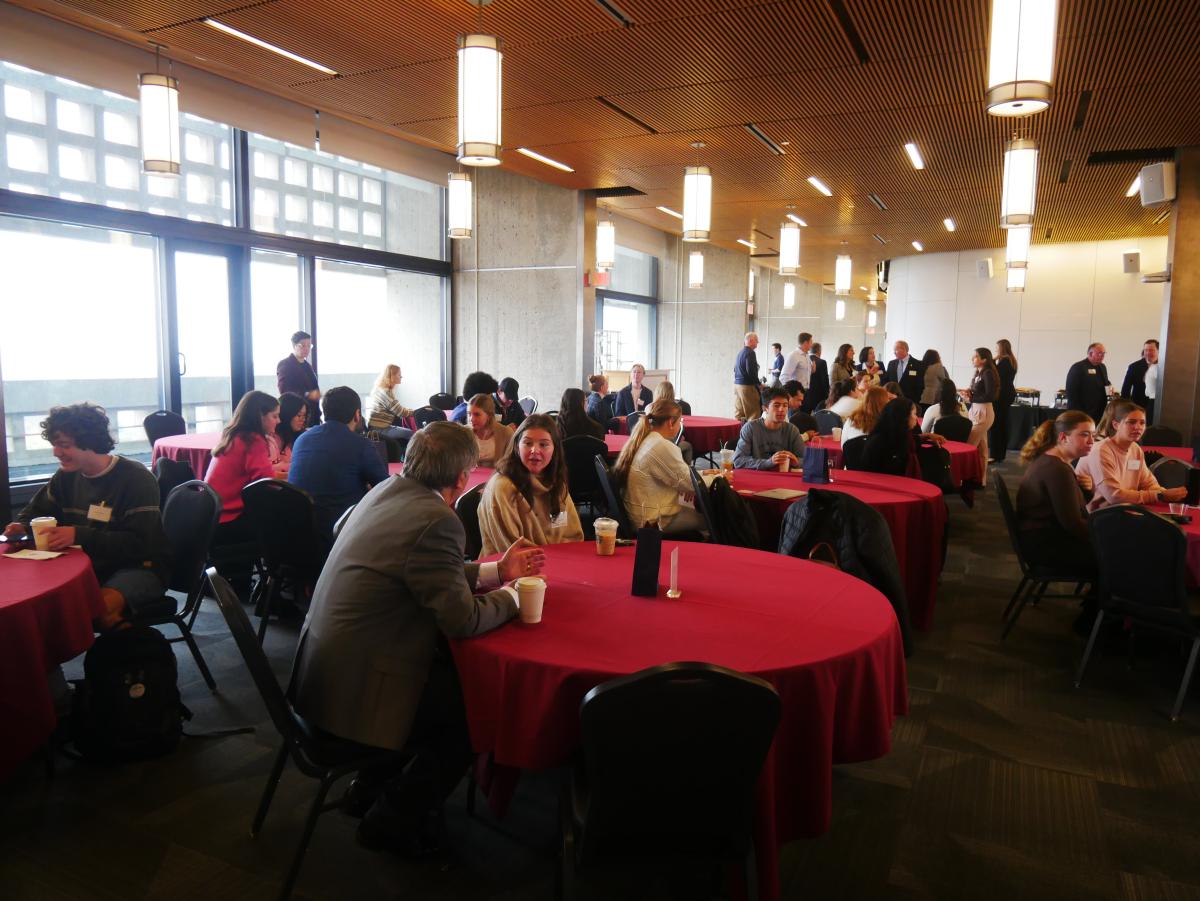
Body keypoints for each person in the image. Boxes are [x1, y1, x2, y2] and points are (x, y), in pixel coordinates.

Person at [291, 421, 544, 856]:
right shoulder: (437, 520)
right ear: (462, 478)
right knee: (475, 711)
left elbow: (422, 568)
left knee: (447, 683)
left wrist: (496, 572)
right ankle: (390, 821)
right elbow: (462, 621)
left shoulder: (385, 491)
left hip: (321, 674)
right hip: (354, 694)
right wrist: (514, 596)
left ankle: (368, 789)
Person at [5, 403, 170, 630]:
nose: (56, 452)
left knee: (96, 610)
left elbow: (139, 544)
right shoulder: (65, 477)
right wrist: (21, 526)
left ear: (90, 442)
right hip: (92, 565)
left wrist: (77, 535)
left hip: (141, 566)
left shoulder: (136, 479)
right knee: (45, 607)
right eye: (54, 445)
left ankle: (134, 650)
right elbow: (35, 511)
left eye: (64, 445)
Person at [288, 386, 390, 539]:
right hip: (341, 536)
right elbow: (386, 488)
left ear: (324, 413)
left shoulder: (302, 440)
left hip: (299, 534)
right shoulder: (360, 445)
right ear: (357, 415)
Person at [478, 414, 585, 556]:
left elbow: (573, 535)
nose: (535, 450)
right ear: (517, 446)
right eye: (528, 443)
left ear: (555, 449)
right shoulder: (502, 487)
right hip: (513, 567)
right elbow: (512, 551)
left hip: (556, 560)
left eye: (543, 444)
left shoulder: (556, 483)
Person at [1016, 412, 1098, 579]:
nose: (1091, 441)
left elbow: (1074, 508)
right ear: (1063, 437)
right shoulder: (1057, 469)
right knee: (1118, 557)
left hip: (1044, 537)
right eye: (1084, 434)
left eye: (1093, 435)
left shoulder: (1054, 461)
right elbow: (1072, 523)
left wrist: (1086, 490)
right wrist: (1107, 537)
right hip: (1045, 546)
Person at [612, 399, 706, 534]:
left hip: (637, 514)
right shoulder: (662, 446)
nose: (680, 425)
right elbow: (692, 484)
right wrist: (717, 477)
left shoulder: (645, 438)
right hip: (651, 522)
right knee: (710, 519)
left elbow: (684, 480)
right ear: (671, 422)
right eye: (680, 421)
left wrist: (698, 479)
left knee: (693, 507)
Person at [206, 390, 280, 547]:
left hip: (211, 516)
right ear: (260, 416)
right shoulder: (253, 441)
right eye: (274, 416)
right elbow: (268, 483)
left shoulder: (233, 436)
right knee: (289, 517)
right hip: (229, 519)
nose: (278, 421)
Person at [1083, 400, 1185, 511]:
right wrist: (1159, 495)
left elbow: (1148, 483)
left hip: (1124, 510)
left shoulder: (1135, 449)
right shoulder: (1101, 450)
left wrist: (1168, 494)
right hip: (1098, 515)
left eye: (1142, 423)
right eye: (1131, 422)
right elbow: (1114, 496)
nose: (1138, 427)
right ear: (1116, 425)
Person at [733, 387, 807, 470]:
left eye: (785, 405)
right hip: (757, 476)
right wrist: (769, 462)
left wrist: (796, 462)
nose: (781, 409)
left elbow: (807, 460)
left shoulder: (792, 430)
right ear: (765, 408)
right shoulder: (750, 428)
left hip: (783, 476)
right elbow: (738, 461)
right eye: (776, 405)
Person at [860, 397, 924, 478]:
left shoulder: (904, 436)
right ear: (904, 416)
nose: (916, 418)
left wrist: (926, 436)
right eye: (914, 414)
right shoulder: (880, 442)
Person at [961, 348, 1000, 472]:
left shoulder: (987, 373)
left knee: (969, 446)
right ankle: (980, 479)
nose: (972, 358)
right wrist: (969, 393)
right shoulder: (979, 373)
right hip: (977, 410)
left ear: (984, 359)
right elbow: (979, 392)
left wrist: (971, 398)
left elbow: (990, 395)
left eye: (976, 356)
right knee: (982, 450)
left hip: (983, 412)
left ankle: (964, 475)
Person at [365, 364, 416, 453]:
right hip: (380, 429)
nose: (401, 377)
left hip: (376, 427)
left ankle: (402, 454)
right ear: (392, 376)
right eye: (399, 374)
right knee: (412, 434)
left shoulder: (380, 389)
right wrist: (417, 411)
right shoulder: (387, 393)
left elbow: (397, 409)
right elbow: (401, 413)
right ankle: (409, 458)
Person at [276, 330, 321, 426]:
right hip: (295, 415)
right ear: (294, 346)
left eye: (309, 346)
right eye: (303, 345)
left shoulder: (308, 366)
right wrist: (308, 394)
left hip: (311, 415)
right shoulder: (285, 364)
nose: (307, 349)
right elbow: (285, 390)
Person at [1065, 342, 1111, 423]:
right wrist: (1077, 413)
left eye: (1103, 353)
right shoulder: (1078, 367)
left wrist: (1110, 386)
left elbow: (1105, 382)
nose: (1102, 356)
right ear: (1090, 353)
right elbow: (1071, 392)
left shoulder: (1102, 367)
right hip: (1083, 412)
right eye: (1099, 353)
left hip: (1100, 411)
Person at [465, 393, 514, 465]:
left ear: (489, 415)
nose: (471, 419)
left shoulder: (506, 433)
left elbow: (512, 462)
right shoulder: (463, 433)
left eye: (477, 414)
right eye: (469, 414)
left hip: (497, 472)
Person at [991, 339, 1018, 463]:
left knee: (997, 425)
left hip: (1002, 395)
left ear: (1002, 348)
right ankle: (1000, 454)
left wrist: (993, 360)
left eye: (997, 348)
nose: (996, 350)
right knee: (1002, 424)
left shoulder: (1005, 362)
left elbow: (994, 374)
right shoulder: (1011, 360)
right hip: (1008, 394)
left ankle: (996, 454)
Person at [268, 392, 308, 477]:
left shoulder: (302, 436)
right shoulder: (272, 438)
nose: (303, 419)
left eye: (304, 416)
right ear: (287, 415)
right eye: (299, 415)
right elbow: (268, 472)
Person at [1120, 339, 1160, 422]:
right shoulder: (1134, 366)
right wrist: (1125, 407)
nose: (1148, 353)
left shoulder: (1163, 366)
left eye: (1151, 350)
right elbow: (1126, 388)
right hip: (1138, 406)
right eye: (1146, 350)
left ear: (1158, 351)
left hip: (1158, 406)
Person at [733, 332, 762, 422]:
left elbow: (734, 369)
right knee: (754, 414)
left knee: (739, 414)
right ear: (750, 340)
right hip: (747, 387)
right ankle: (753, 431)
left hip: (737, 386)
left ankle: (737, 430)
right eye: (756, 341)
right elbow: (751, 371)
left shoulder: (740, 353)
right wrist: (758, 384)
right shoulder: (750, 352)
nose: (757, 343)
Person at [885, 340, 924, 405]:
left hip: (910, 402)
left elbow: (920, 385)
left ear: (904, 349)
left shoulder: (917, 364)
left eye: (896, 349)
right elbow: (887, 380)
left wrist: (915, 401)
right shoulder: (891, 364)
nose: (894, 352)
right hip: (892, 402)